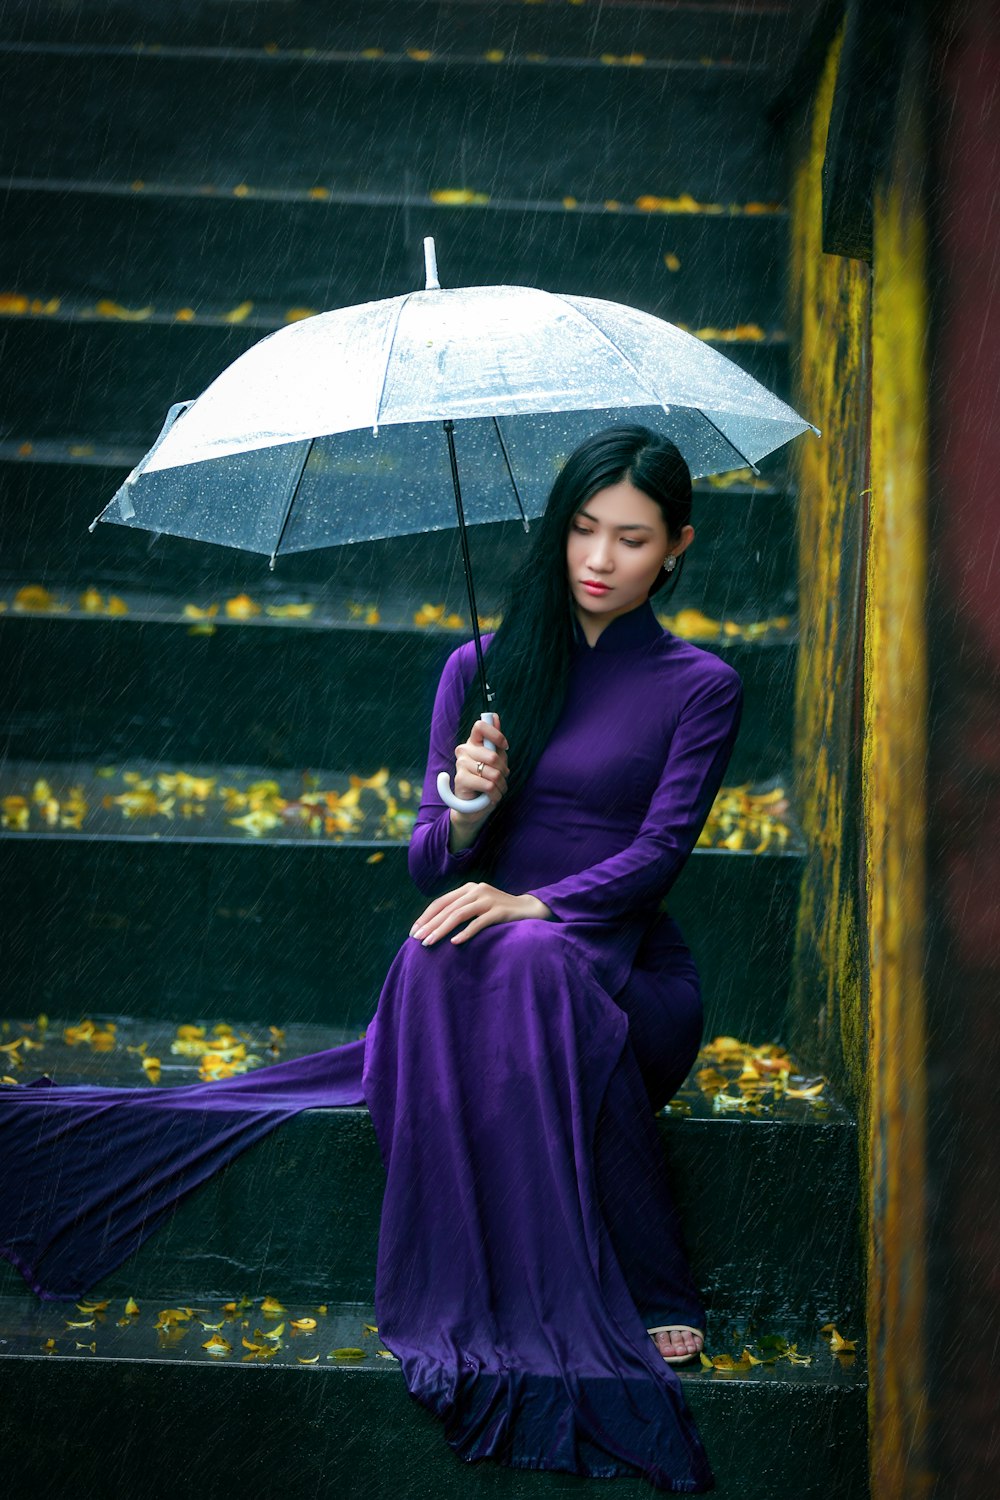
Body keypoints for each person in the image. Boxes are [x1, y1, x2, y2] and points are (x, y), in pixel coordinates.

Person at [0, 425, 742, 1494]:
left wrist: (532, 900)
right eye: (581, 529)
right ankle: (615, 1266)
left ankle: (652, 1273)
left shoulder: (698, 684)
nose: (598, 559)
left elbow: (659, 854)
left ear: (675, 547)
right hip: (493, 955)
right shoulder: (480, 669)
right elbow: (428, 862)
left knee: (528, 962)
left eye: (630, 539)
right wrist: (471, 807)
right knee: (432, 957)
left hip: (625, 974)